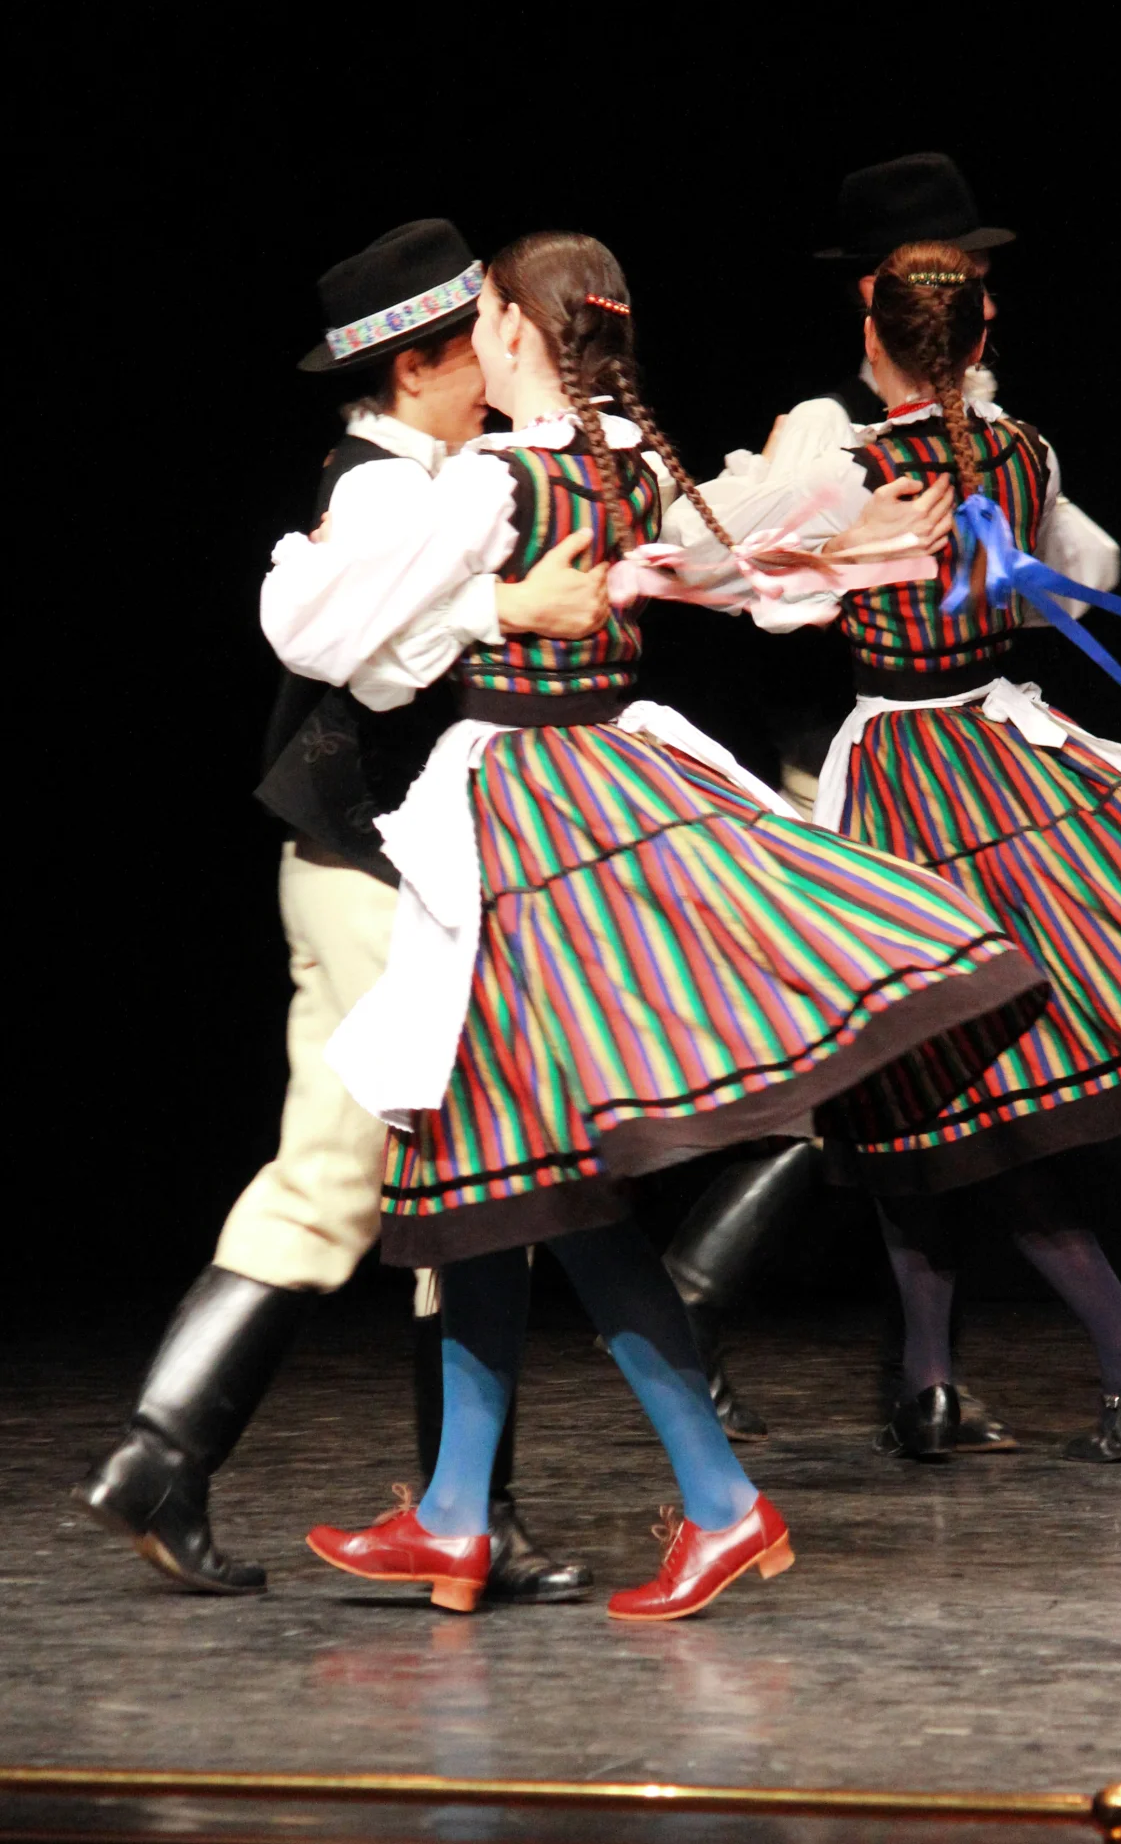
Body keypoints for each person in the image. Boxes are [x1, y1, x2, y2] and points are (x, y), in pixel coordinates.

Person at [263, 229, 1050, 1618]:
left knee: (524, 1165)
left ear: (517, 334)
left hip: (531, 811)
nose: (475, 336)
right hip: (597, 794)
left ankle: (715, 1500)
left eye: (486, 314)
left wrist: (465, 591)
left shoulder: (491, 479)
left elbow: (314, 632)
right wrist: (830, 554)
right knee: (495, 1164)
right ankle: (458, 1510)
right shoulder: (624, 456)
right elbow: (727, 574)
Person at [663, 238, 1121, 1464]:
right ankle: (938, 1380)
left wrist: (819, 536)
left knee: (928, 1083)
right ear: (980, 336)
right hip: (1002, 748)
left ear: (869, 337)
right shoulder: (1025, 449)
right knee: (923, 1089)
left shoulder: (846, 463)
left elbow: (718, 576)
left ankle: (1100, 1347)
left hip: (910, 771)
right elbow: (1079, 574)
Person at [78, 220, 606, 1602]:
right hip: (365, 872)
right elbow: (348, 659)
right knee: (379, 1180)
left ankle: (451, 1507)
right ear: (417, 365)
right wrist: (506, 609)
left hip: (398, 876)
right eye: (477, 342)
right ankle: (185, 1455)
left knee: (455, 1188)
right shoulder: (380, 489)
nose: (499, 361)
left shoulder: (443, 477)